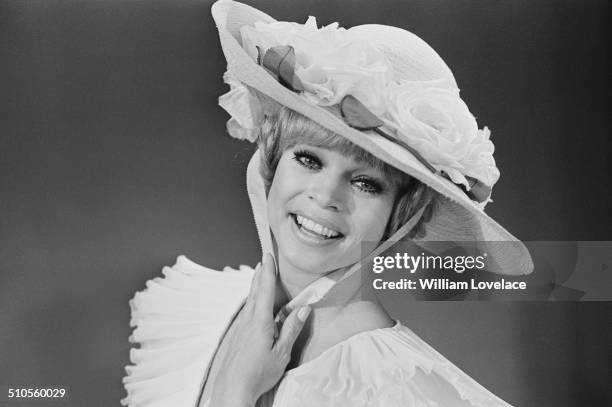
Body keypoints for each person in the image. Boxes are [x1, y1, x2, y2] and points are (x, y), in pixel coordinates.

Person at [122, 1, 533, 406]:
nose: (325, 196)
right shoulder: (211, 311)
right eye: (308, 159)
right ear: (271, 162)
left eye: (366, 183)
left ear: (402, 217)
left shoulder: (390, 390)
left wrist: (236, 394)